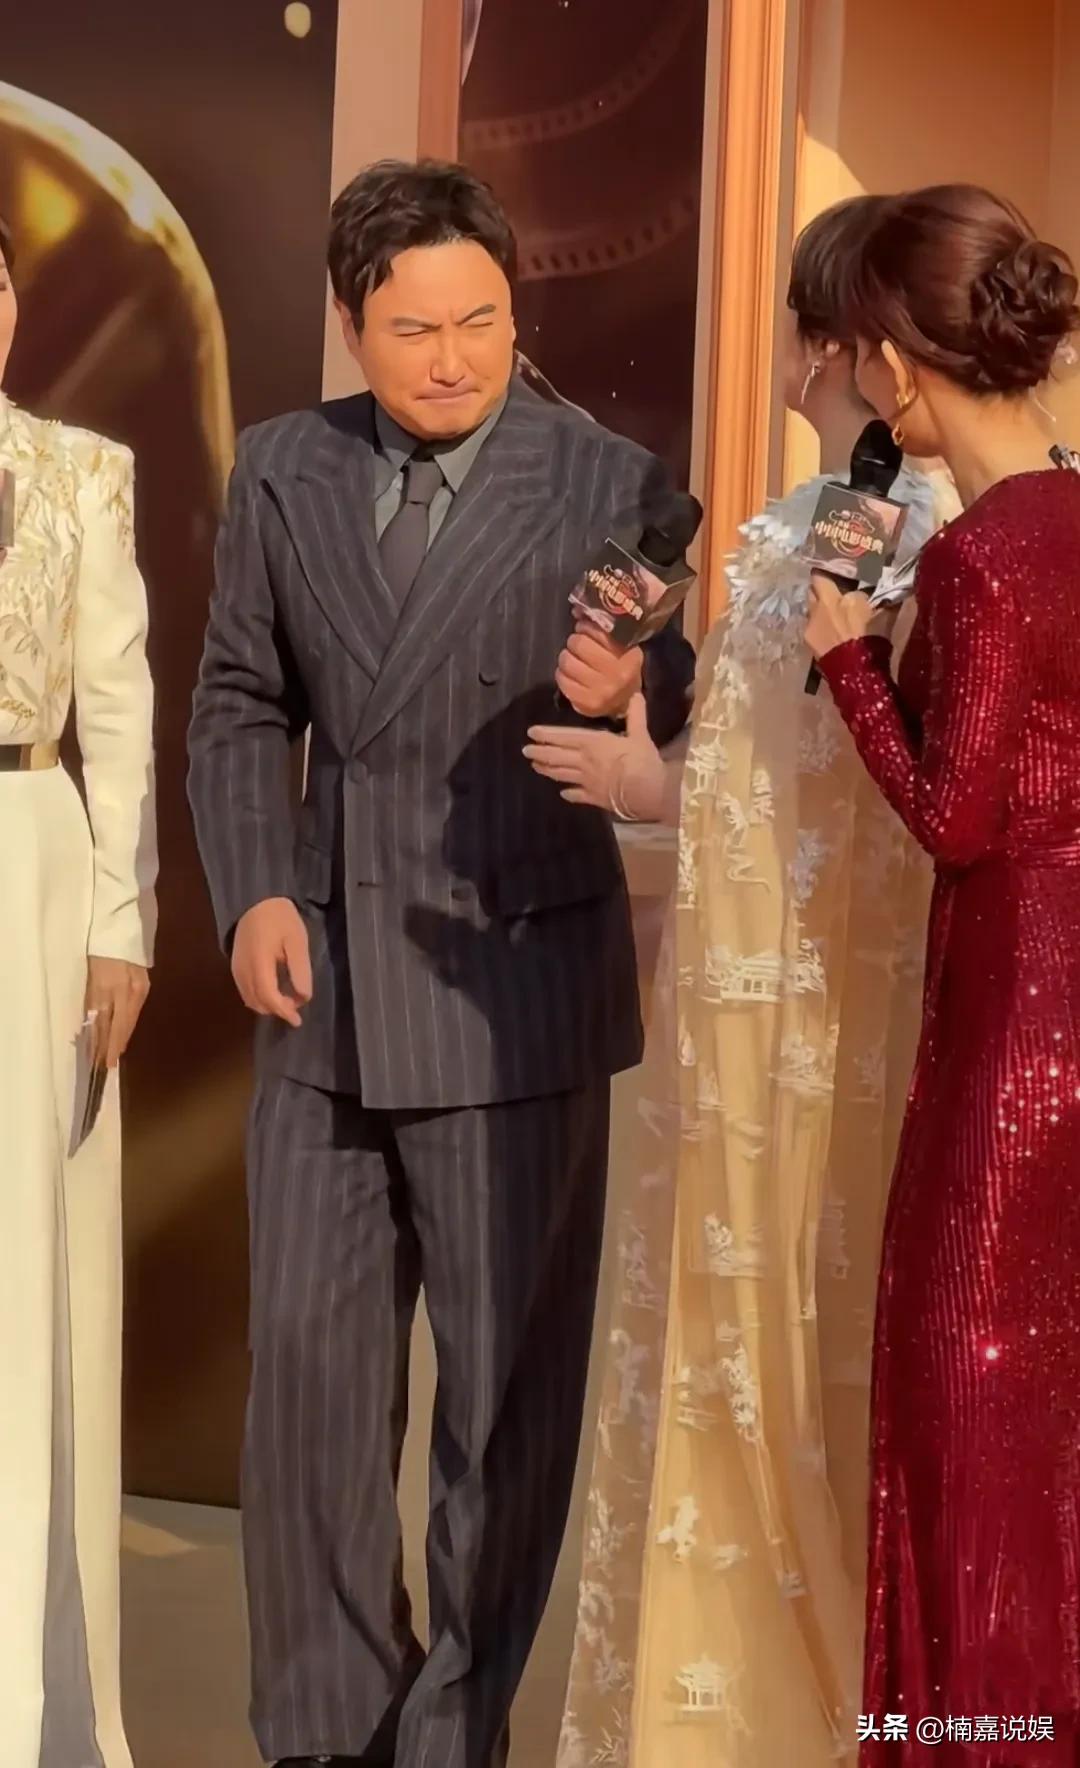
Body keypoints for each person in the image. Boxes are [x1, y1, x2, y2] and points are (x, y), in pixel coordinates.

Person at [186, 158, 695, 1768]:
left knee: (500, 1412)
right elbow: (237, 702)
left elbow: (688, 714)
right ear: (354, 323)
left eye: (482, 320)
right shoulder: (285, 468)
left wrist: (627, 698)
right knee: (312, 1396)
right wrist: (254, 894)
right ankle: (327, 1733)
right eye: (415, 329)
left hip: (509, 998)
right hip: (323, 995)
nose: (455, 358)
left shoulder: (609, 480)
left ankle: (453, 1734)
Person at [526, 197, 956, 1765]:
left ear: (840, 343)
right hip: (728, 999)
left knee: (803, 1333)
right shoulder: (789, 528)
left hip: (835, 1003)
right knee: (713, 1333)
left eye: (792, 321)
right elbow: (751, 777)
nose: (778, 347)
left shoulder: (932, 530)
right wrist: (640, 759)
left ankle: (809, 1706)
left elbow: (888, 784)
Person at [802, 185, 1080, 1765]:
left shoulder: (981, 558)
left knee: (965, 1407)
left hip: (1015, 1020)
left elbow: (955, 820)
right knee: (1050, 1425)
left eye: (857, 351)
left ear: (900, 366)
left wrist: (850, 659)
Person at [0, 214, 157, 1768]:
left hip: (30, 867)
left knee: (28, 1269)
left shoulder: (80, 472)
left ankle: (30, 1707)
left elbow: (120, 715)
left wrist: (125, 924)